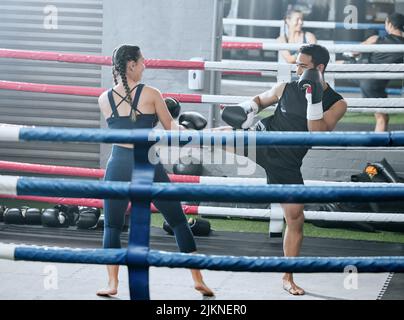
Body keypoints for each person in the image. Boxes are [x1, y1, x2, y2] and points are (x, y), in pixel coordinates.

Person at [221, 44, 347, 295]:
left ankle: (287, 277)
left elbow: (318, 132)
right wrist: (247, 108)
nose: (297, 69)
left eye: (303, 65)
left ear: (319, 68)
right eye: (297, 64)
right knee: (218, 137)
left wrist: (313, 98)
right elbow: (261, 99)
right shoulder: (286, 87)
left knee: (296, 219)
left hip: (286, 163)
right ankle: (176, 133)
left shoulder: (338, 103)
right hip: (261, 140)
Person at [96, 44, 214, 297]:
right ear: (131, 65)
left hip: (117, 164)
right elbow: (172, 132)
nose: (145, 65)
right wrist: (189, 129)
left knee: (113, 226)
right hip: (146, 163)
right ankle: (198, 279)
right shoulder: (151, 93)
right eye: (142, 62)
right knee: (179, 221)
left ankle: (112, 284)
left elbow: (125, 127)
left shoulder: (103, 99)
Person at [357, 13, 404, 132]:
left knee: (382, 117)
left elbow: (353, 51)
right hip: (375, 83)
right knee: (382, 117)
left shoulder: (375, 39)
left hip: (365, 77)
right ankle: (377, 146)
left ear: (389, 24)